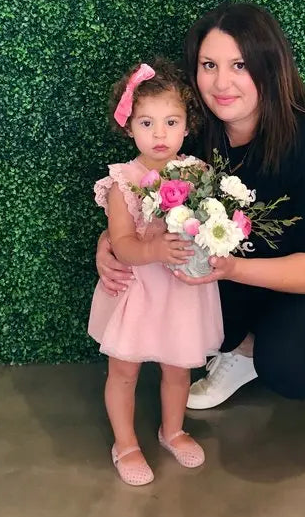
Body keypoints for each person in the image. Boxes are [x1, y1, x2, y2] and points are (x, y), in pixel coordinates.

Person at [96, 4, 305, 462]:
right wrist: (113, 244)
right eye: (209, 65)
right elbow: (146, 195)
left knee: (289, 363)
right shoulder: (195, 133)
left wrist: (231, 268)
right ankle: (241, 350)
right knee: (177, 295)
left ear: (270, 66)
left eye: (239, 65)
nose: (222, 83)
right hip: (242, 267)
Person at [88, 58, 223, 486]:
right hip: (137, 290)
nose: (159, 134)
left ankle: (173, 430)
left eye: (171, 122)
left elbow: (209, 224)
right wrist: (154, 247)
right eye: (147, 123)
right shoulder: (122, 182)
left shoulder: (197, 174)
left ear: (188, 126)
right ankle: (125, 442)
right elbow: (123, 243)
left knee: (177, 368)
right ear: (129, 127)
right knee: (124, 371)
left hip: (180, 291)